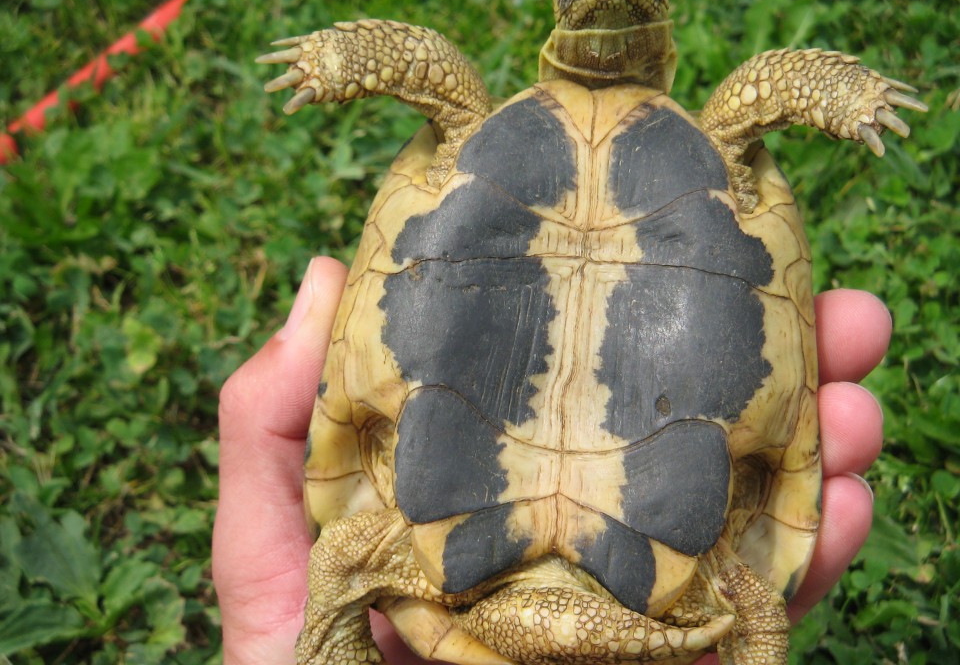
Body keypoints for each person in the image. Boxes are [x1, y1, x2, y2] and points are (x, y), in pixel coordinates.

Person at [213, 256, 889, 665]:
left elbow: (336, 560)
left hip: (455, 566)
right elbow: (755, 610)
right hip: (661, 584)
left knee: (342, 559)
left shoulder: (389, 550)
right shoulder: (714, 586)